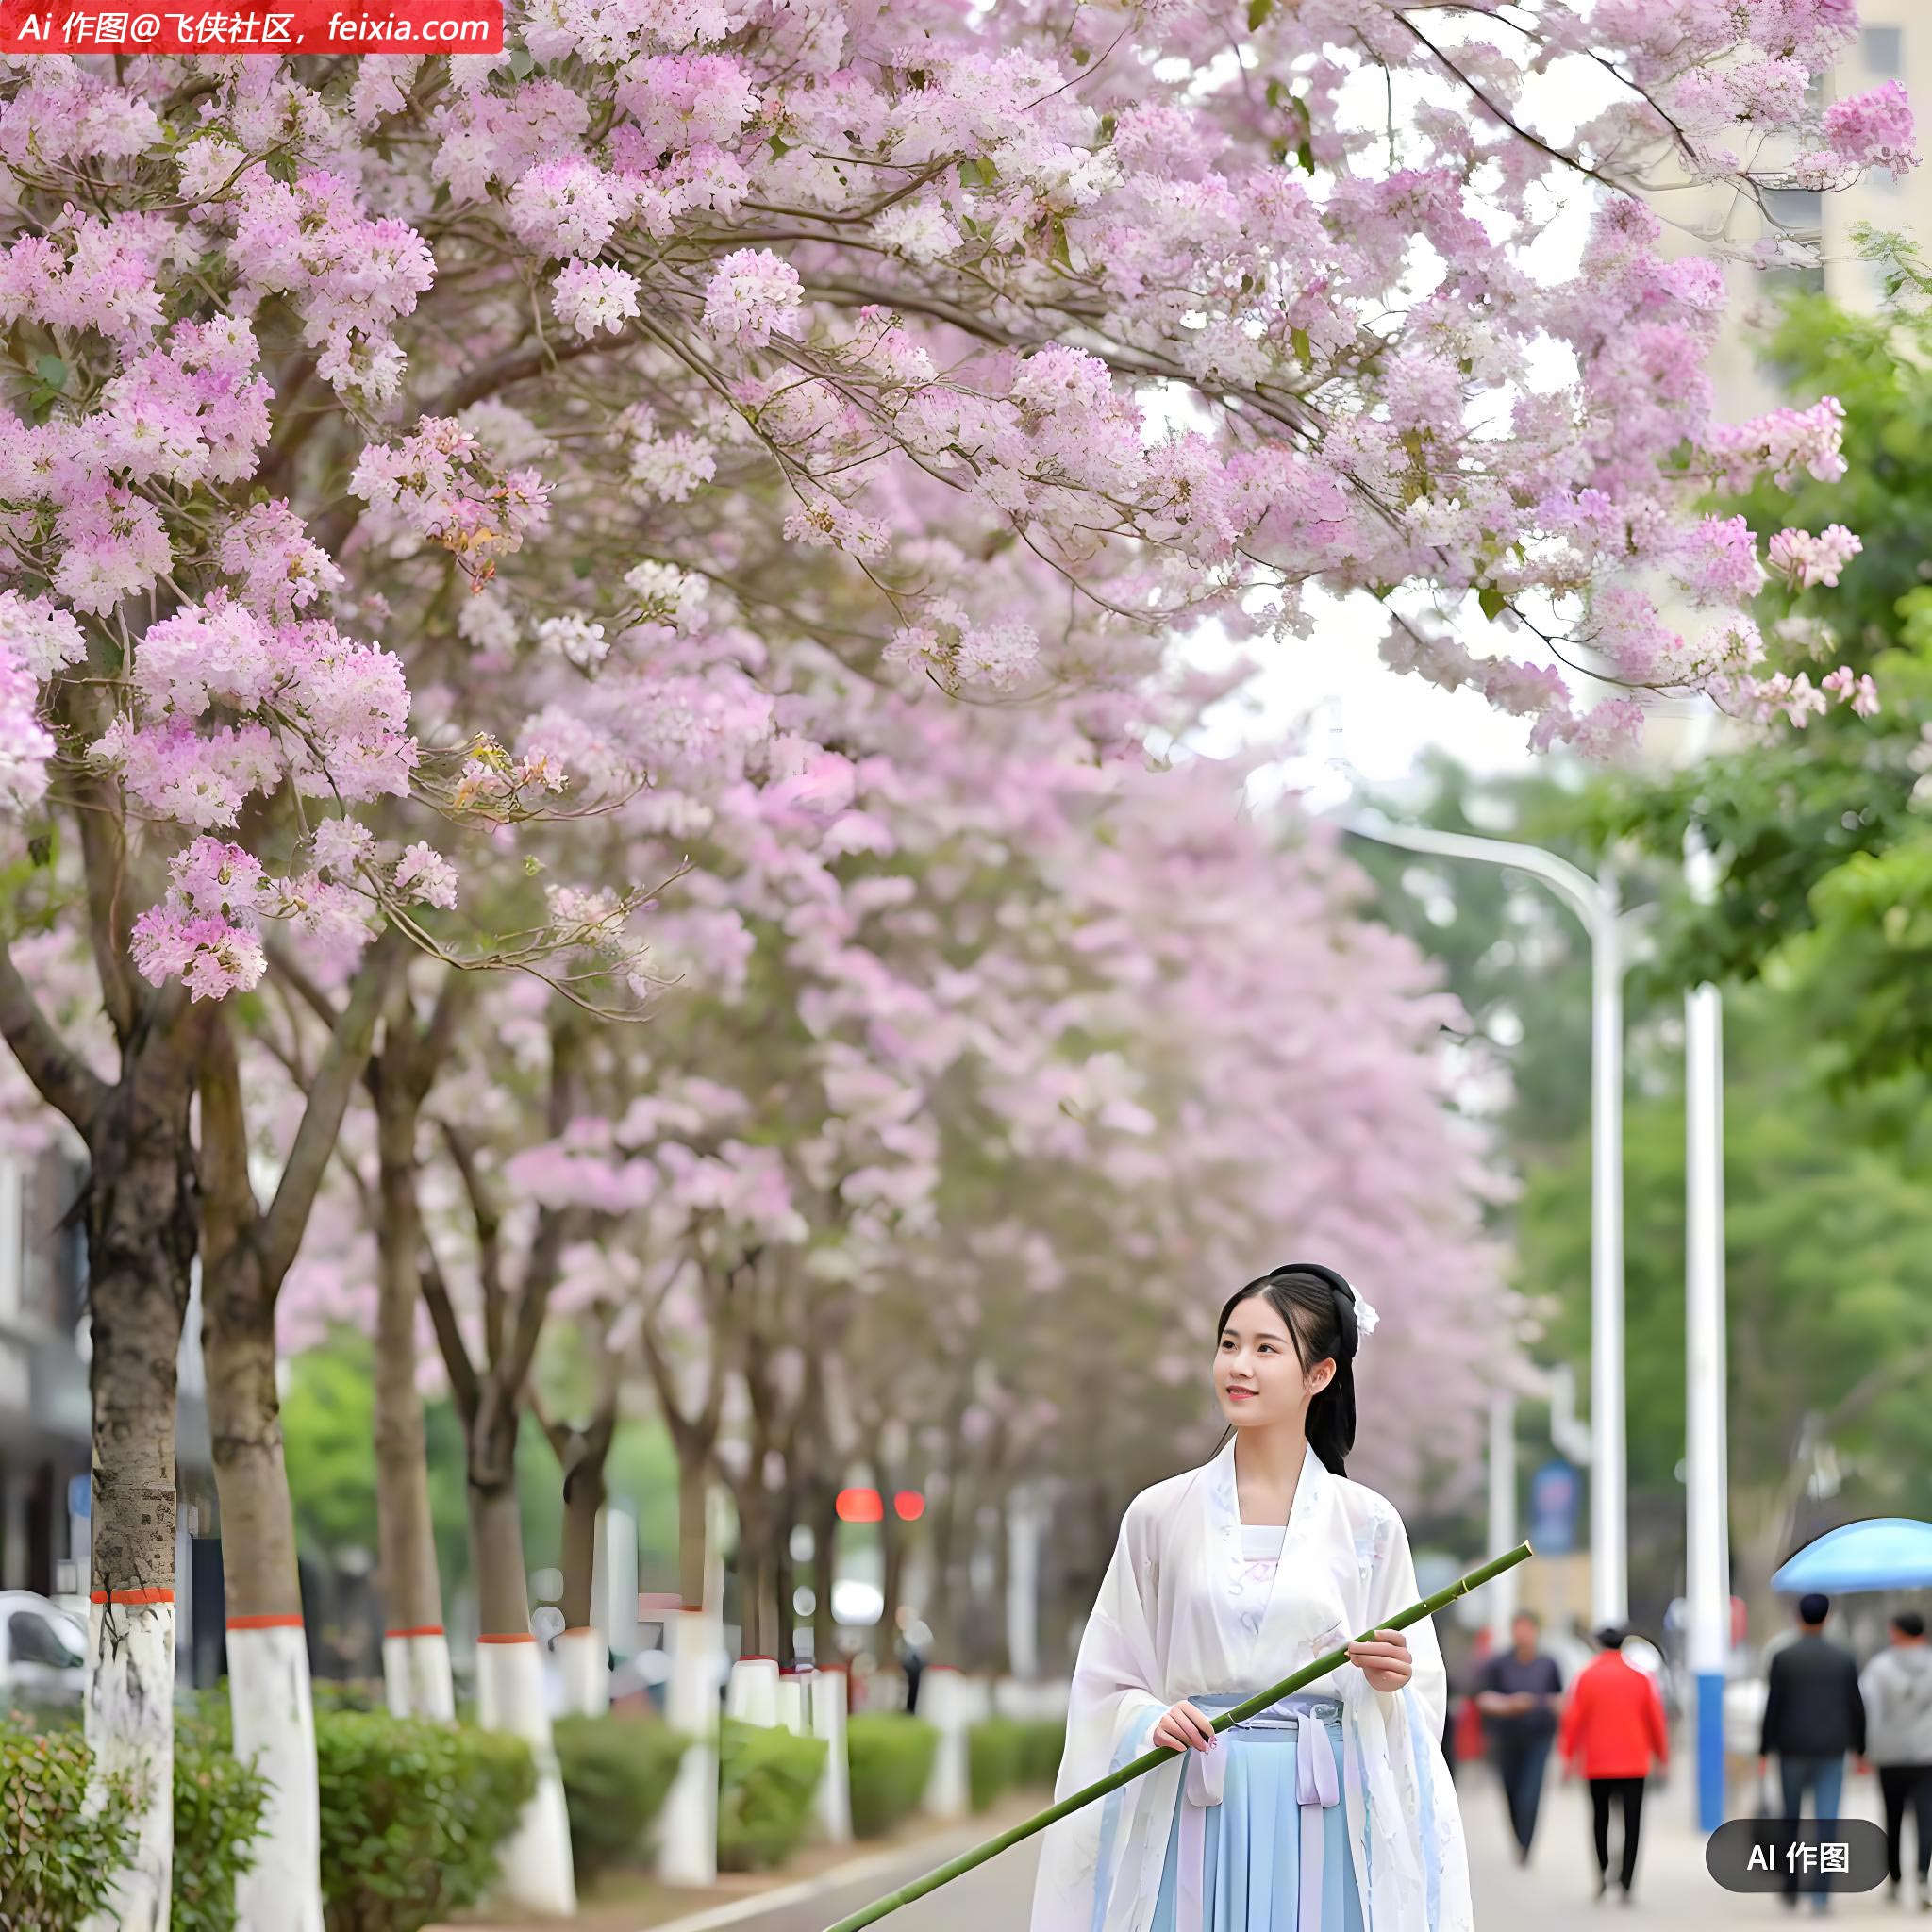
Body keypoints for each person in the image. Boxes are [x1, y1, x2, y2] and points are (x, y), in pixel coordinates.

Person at [1028, 1263, 1470, 1932]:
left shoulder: (1368, 1524)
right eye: (1229, 1344)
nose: (1239, 1365)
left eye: (1267, 1349)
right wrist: (1149, 1718)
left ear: (1319, 1375)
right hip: (1196, 1801)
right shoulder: (1159, 1515)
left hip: (1320, 1810)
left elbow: (1416, 1695)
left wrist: (1390, 1680)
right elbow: (1107, 1676)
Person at [1760, 1591, 1867, 1914]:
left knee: (1791, 1818)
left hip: (1791, 1750)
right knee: (1827, 1822)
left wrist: (1764, 1748)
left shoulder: (1784, 1657)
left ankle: (1791, 1885)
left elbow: (1773, 1707)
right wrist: (1860, 1748)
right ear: (1828, 1616)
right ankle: (1821, 1894)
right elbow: (1855, 1706)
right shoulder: (1844, 1657)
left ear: (1798, 1616)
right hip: (1832, 1751)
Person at [1557, 1624, 1669, 1906]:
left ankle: (1602, 1873)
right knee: (1632, 1823)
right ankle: (1628, 1882)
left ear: (1599, 1644)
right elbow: (1655, 1720)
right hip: (1634, 1764)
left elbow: (1573, 1721)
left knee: (1600, 1820)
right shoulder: (1641, 1678)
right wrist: (1663, 1757)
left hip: (1597, 1764)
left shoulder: (1586, 1677)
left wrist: (1567, 1759)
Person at [1476, 1610, 1564, 1865]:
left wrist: (1548, 1704)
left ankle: (1527, 1844)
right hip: (1506, 1737)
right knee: (1511, 1792)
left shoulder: (1549, 1663)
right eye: (1518, 1627)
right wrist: (1508, 1706)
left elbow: (1560, 1697)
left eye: (1527, 1628)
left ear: (1536, 1631)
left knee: (1531, 1792)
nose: (1522, 1633)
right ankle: (1518, 1839)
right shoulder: (1499, 1664)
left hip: (1539, 1736)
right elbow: (1482, 1699)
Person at [1859, 1609, 1932, 1907]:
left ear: (1897, 1632)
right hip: (1928, 1753)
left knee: (1893, 1816)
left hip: (1889, 1754)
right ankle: (1922, 1876)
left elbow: (1868, 1709)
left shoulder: (1879, 1667)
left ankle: (1895, 1879)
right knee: (1927, 1818)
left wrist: (1866, 1749)